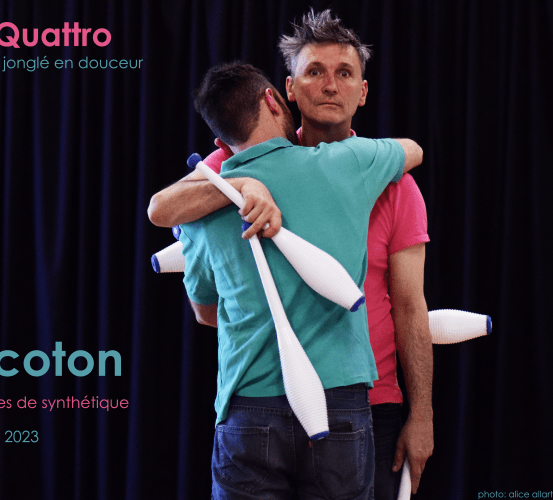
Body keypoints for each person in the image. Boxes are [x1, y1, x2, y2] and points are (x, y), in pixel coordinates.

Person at [148, 10, 433, 499]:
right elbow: (162, 206)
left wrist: (421, 414)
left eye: (345, 73)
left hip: (373, 402)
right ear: (287, 91)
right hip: (316, 402)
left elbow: (410, 306)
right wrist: (245, 182)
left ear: (363, 92)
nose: (330, 85)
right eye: (314, 71)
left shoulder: (396, 185)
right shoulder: (228, 164)